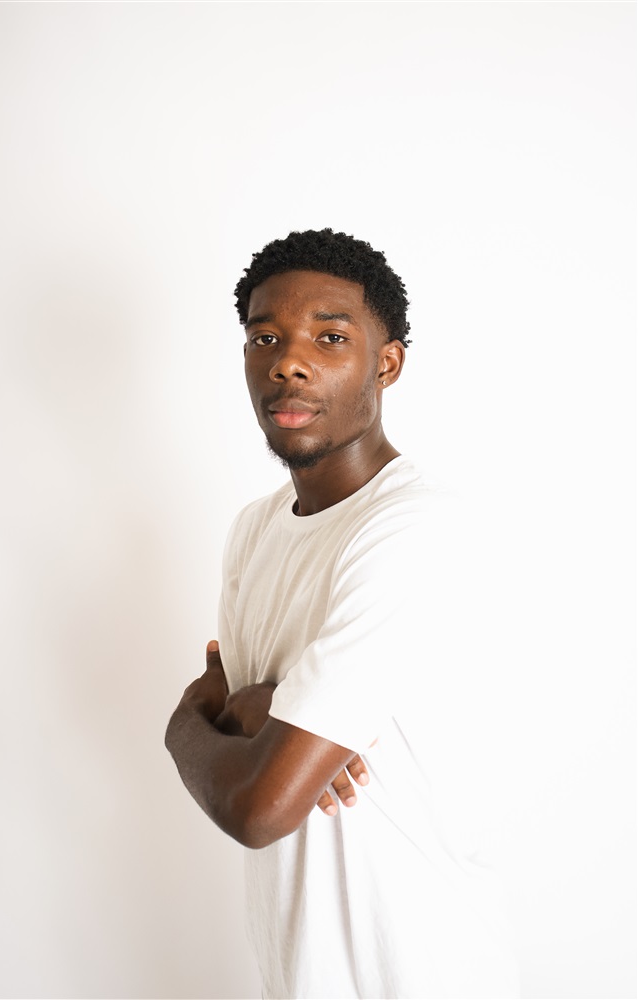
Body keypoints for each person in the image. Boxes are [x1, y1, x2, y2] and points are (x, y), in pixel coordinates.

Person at [165, 229, 520, 999]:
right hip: (298, 974)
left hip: (422, 973)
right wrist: (256, 715)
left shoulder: (413, 527)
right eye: (265, 337)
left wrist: (183, 727)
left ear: (385, 363)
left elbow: (260, 808)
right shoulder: (254, 529)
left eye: (329, 337)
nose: (287, 363)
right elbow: (240, 722)